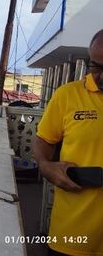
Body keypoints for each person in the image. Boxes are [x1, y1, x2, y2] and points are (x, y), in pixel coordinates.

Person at [33, 28, 103, 256]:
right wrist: (45, 165)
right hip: (72, 235)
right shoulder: (67, 95)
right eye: (96, 66)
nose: (100, 76)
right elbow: (43, 139)